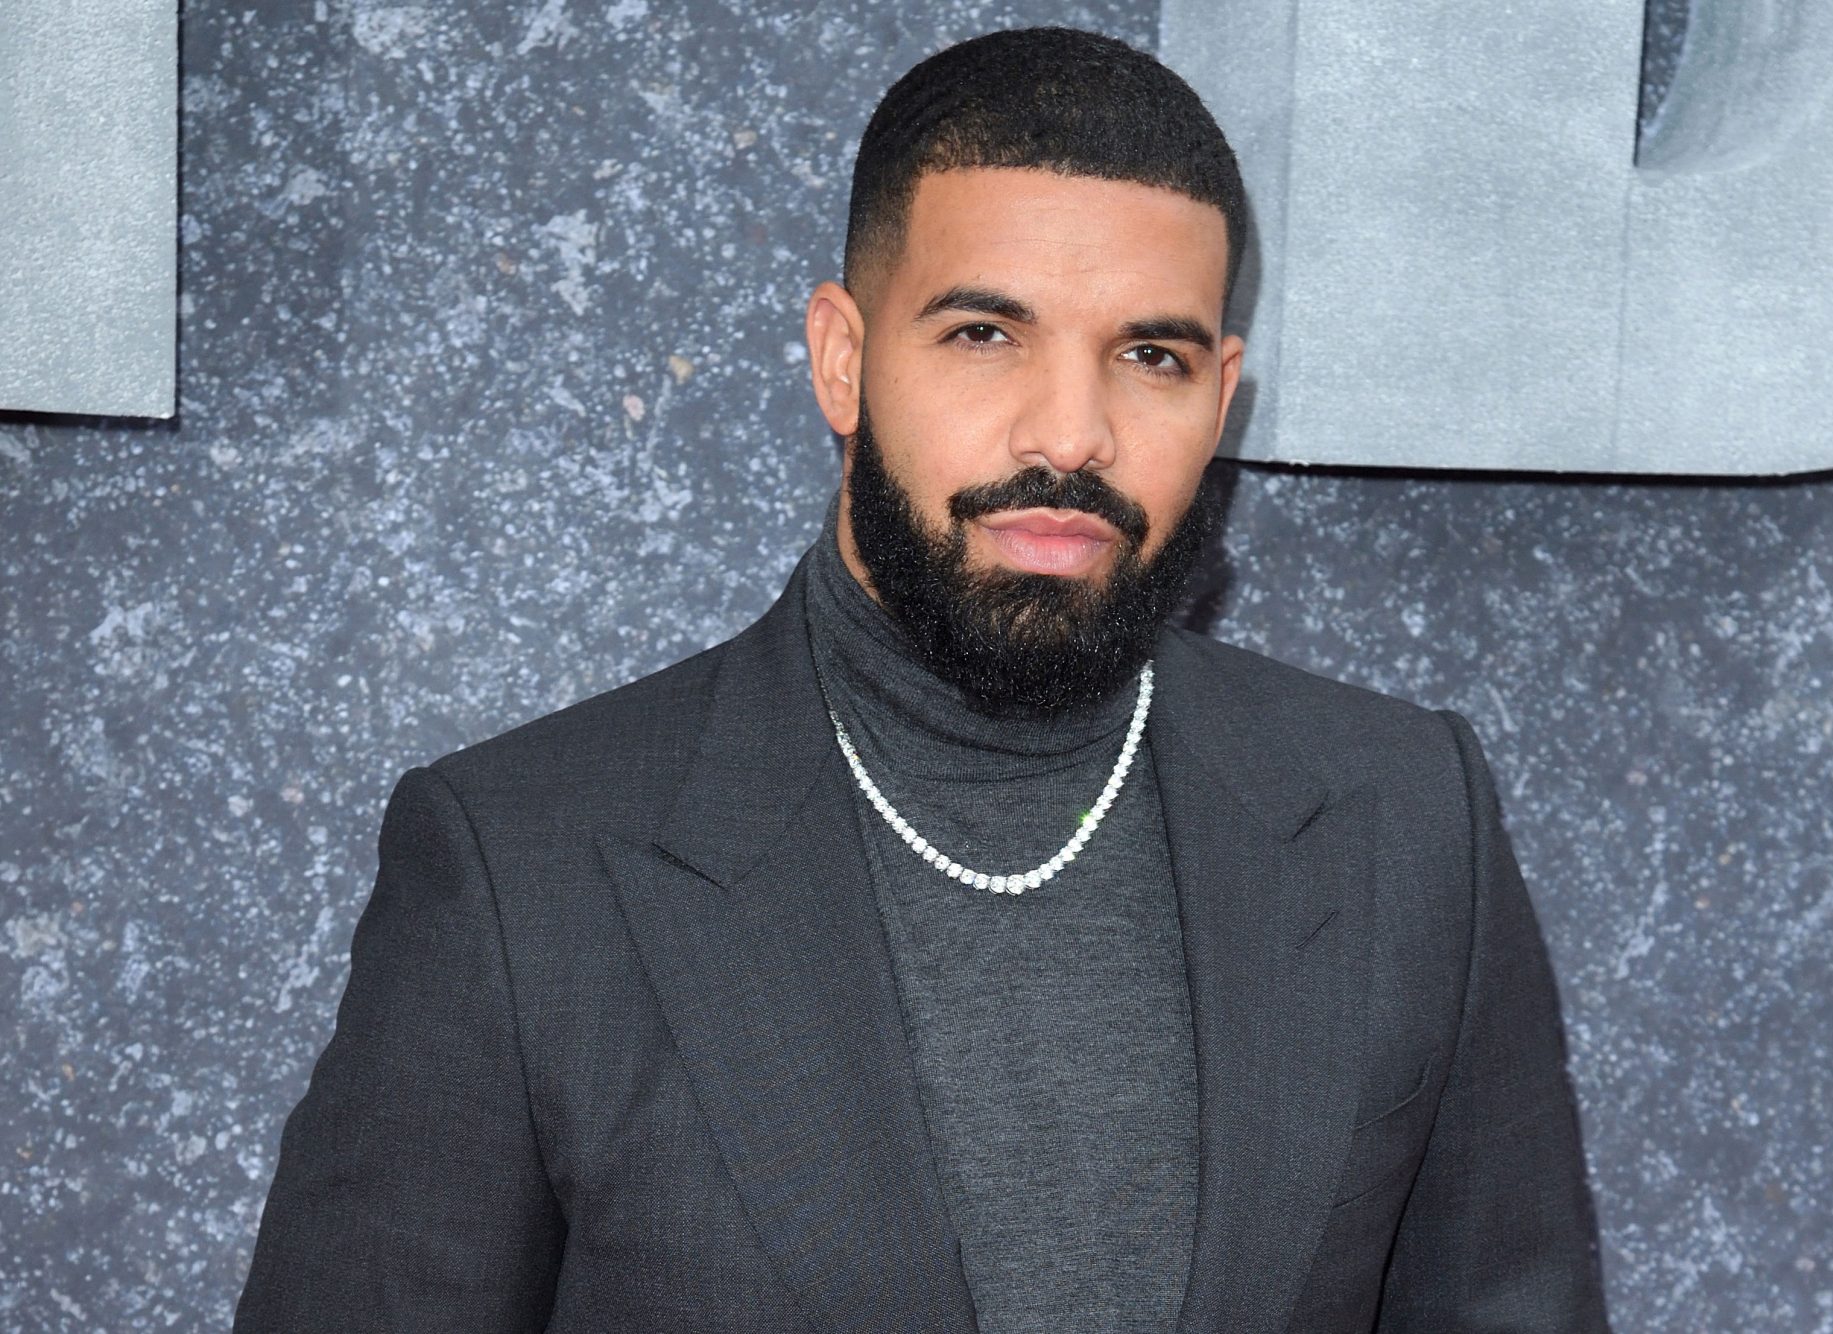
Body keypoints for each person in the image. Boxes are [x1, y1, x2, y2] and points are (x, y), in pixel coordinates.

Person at [235, 25, 1611, 1333]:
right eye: (983, 333)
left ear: (1224, 393)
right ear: (843, 356)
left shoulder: (1406, 817)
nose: (1071, 433)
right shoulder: (523, 867)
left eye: (1152, 355)